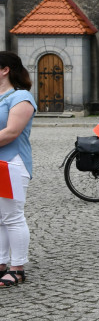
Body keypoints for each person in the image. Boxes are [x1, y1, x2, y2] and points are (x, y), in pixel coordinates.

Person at [0, 53, 37, 289]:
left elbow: (12, 132)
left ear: (5, 70)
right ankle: (2, 262)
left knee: (12, 216)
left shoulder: (21, 97)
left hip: (12, 163)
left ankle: (17, 268)